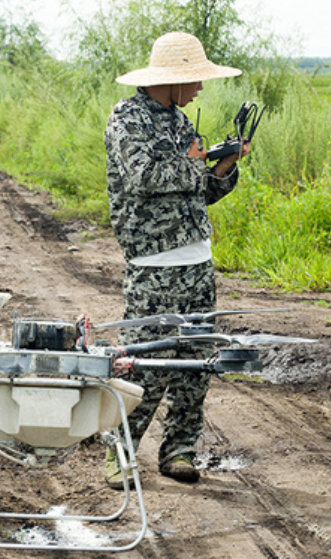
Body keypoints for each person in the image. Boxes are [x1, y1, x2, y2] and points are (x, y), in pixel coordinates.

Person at [103, 31, 250, 487]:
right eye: (196, 79)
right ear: (172, 79)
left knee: (196, 362)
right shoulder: (127, 120)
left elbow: (197, 191)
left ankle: (180, 451)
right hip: (153, 264)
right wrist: (192, 164)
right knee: (147, 361)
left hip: (197, 262)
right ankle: (120, 451)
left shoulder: (182, 123)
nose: (201, 88)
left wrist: (222, 168)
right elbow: (143, 176)